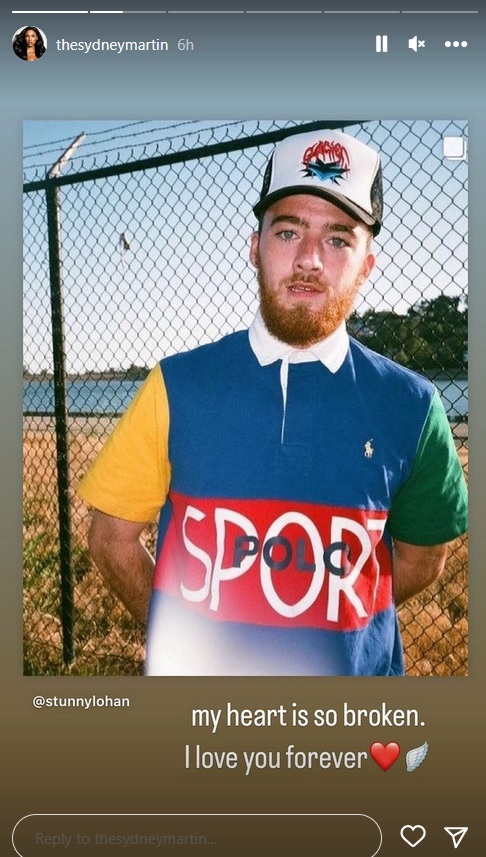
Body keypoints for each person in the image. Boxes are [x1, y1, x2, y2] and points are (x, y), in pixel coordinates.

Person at [78, 129, 468, 676]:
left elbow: (424, 558)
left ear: (366, 266)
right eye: (288, 232)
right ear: (254, 248)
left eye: (338, 240)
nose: (309, 259)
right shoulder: (175, 386)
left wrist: (332, 624)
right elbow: (110, 539)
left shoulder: (414, 407)